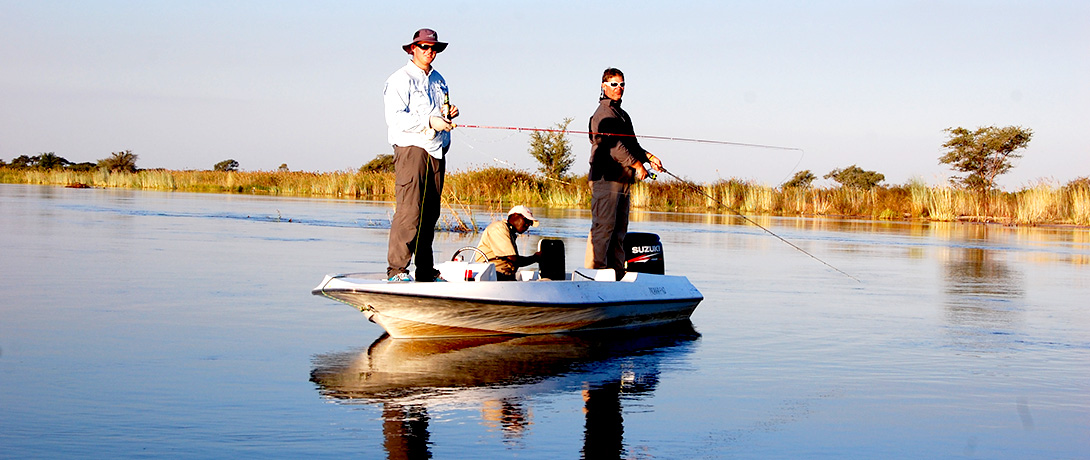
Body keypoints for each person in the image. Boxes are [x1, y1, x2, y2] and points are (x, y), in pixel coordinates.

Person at [383, 28, 459, 282]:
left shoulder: (440, 79)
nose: (430, 52)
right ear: (412, 49)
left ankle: (425, 271)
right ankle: (397, 270)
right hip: (411, 148)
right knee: (409, 211)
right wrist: (429, 120)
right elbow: (395, 119)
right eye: (424, 47)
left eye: (433, 48)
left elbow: (441, 112)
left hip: (437, 150)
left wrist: (448, 116)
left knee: (430, 214)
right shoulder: (400, 79)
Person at [587, 68, 663, 279]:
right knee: (603, 229)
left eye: (622, 84)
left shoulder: (622, 114)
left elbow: (632, 144)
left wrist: (649, 158)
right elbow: (615, 147)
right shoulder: (603, 114)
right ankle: (596, 274)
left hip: (623, 180)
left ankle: (617, 273)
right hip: (606, 180)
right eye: (614, 84)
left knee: (619, 231)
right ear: (604, 86)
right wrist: (637, 165)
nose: (619, 88)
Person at [475, 205, 541, 281]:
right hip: (494, 275)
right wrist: (535, 258)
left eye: (530, 223)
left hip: (503, 275)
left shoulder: (510, 233)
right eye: (526, 220)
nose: (527, 225)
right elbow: (512, 259)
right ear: (515, 215)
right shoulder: (499, 228)